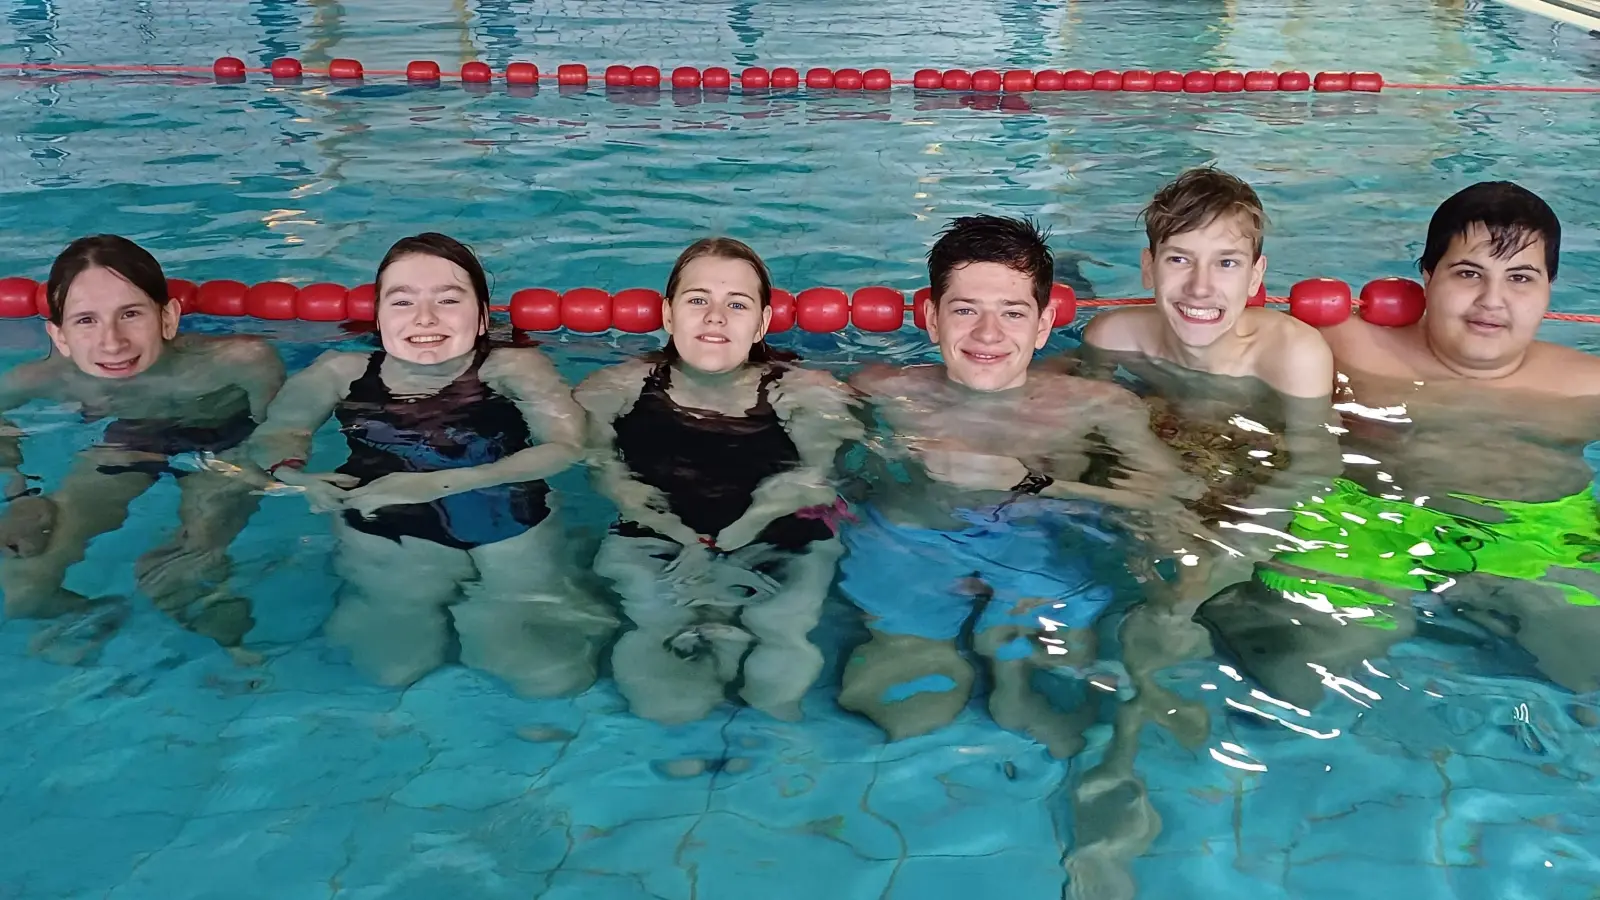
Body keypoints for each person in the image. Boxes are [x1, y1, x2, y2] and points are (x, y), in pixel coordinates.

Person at [839, 214, 1207, 760]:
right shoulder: (883, 392)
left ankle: (1017, 686)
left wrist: (1033, 482)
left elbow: (1173, 495)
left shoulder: (1095, 406)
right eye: (965, 310)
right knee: (904, 710)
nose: (988, 335)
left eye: (1012, 313)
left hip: (1041, 547)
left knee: (1053, 693)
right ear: (931, 317)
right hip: (913, 542)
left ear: (1043, 323)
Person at [1268, 180, 1600, 698]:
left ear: (1549, 288)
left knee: (1590, 675)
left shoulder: (1589, 385)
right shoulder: (1343, 347)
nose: (1492, 300)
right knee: (1295, 679)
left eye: (1520, 278)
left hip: (1539, 534)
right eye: (1469, 273)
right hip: (1364, 521)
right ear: (1427, 275)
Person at [246, 232, 614, 696]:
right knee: (394, 669)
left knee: (554, 677)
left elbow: (567, 445)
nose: (425, 318)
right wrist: (296, 476)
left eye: (448, 300)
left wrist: (442, 484)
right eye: (402, 302)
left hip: (508, 520)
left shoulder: (513, 367)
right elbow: (278, 434)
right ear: (377, 317)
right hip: (384, 525)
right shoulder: (340, 371)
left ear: (481, 318)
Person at [575, 237, 860, 726]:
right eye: (698, 300)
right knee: (660, 684)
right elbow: (604, 471)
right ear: (668, 315)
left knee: (779, 653)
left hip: (783, 539)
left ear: (762, 323)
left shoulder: (805, 392)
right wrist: (675, 532)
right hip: (654, 539)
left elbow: (813, 478)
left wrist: (741, 531)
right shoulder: (611, 391)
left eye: (737, 304)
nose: (715, 317)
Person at [0, 234, 284, 655]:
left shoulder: (241, 360)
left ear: (168, 317)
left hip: (225, 443)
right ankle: (107, 623)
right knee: (24, 588)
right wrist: (19, 490)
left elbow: (279, 433)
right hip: (128, 440)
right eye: (86, 320)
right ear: (59, 336)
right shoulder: (47, 377)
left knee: (182, 575)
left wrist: (251, 476)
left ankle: (245, 658)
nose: (112, 342)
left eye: (130, 314)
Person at [1080, 165, 1335, 401]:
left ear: (1254, 277)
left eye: (1226, 263)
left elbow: (1312, 446)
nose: (1200, 288)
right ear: (1149, 268)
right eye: (1179, 259)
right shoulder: (1111, 338)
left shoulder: (1294, 356)